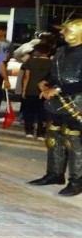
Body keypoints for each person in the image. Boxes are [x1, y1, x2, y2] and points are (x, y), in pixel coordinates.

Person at [29, 19, 82, 197]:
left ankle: (76, 181)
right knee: (53, 138)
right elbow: (55, 73)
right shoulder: (60, 50)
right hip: (56, 103)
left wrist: (56, 89)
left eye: (66, 31)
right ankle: (54, 174)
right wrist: (46, 82)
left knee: (73, 142)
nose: (61, 33)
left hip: (77, 103)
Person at [20, 43, 53, 139]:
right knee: (43, 113)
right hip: (46, 91)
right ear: (49, 52)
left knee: (29, 111)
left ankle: (29, 131)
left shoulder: (30, 62)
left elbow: (26, 77)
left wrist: (24, 90)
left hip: (31, 89)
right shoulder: (52, 63)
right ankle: (41, 133)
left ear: (37, 51)